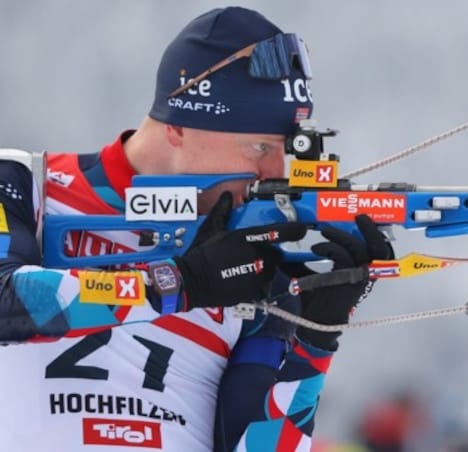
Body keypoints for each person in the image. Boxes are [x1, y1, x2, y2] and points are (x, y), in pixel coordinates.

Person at [0, 6, 392, 451]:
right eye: (259, 146)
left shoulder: (254, 268)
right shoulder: (22, 184)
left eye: (283, 150)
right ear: (179, 128)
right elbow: (6, 298)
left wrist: (316, 342)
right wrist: (184, 283)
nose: (273, 171)